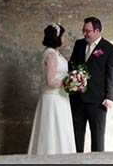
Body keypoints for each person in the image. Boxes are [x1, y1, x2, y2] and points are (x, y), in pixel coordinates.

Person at [68, 16, 113, 152]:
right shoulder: (79, 44)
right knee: (76, 136)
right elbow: (71, 65)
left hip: (98, 101)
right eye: (83, 31)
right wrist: (72, 82)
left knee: (97, 137)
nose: (84, 34)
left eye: (88, 31)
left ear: (97, 31)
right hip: (77, 98)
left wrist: (109, 97)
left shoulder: (109, 49)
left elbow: (112, 74)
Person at [27, 23, 76, 155]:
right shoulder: (51, 55)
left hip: (59, 98)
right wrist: (69, 82)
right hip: (53, 99)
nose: (64, 38)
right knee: (52, 130)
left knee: (59, 130)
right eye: (63, 35)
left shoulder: (54, 53)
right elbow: (50, 81)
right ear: (57, 37)